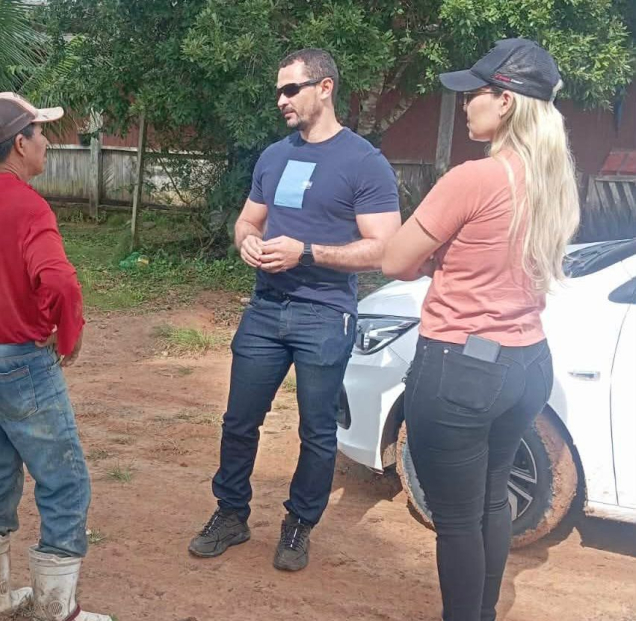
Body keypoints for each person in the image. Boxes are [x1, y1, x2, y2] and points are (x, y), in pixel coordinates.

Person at [381, 39, 580, 621]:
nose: (466, 103)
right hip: (527, 363)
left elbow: (395, 260)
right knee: (492, 499)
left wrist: (436, 257)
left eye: (476, 93)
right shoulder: (554, 183)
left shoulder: (475, 178)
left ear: (509, 102)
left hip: (461, 367)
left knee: (458, 520)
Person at [188, 48, 401, 571]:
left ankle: (299, 524)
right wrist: (246, 241)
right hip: (265, 308)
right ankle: (231, 514)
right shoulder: (275, 156)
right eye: (278, 91)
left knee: (316, 429)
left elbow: (385, 246)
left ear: (324, 88)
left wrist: (306, 252)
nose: (280, 99)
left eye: (291, 89)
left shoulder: (364, 161)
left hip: (324, 313)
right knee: (239, 420)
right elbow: (248, 221)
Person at [0, 92, 110, 621]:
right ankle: (56, 610)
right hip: (16, 361)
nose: (47, 143)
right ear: (19, 143)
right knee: (63, 478)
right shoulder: (29, 205)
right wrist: (67, 335)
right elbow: (58, 280)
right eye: (41, 133)